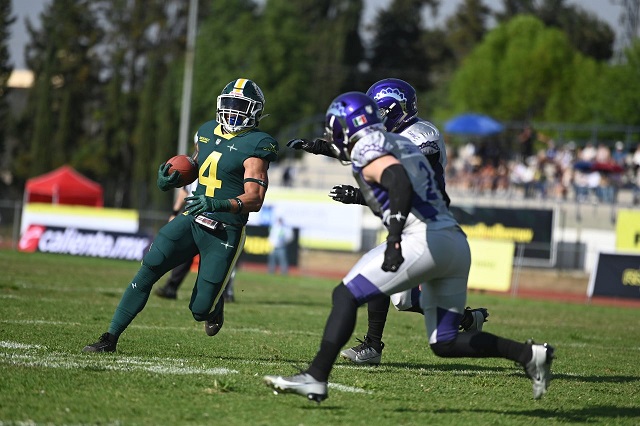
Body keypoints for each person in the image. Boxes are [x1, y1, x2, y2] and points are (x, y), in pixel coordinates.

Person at [264, 92, 554, 402]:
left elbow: (397, 180)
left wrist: (394, 238)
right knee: (444, 343)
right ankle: (529, 354)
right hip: (453, 242)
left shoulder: (372, 147)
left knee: (345, 294)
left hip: (422, 237)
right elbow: (369, 158)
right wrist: (320, 147)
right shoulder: (398, 143)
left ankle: (316, 377)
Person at [287, 78, 488, 365]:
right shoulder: (393, 136)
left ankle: (371, 347)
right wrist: (318, 146)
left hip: (427, 223)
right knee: (403, 300)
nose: (372, 120)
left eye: (377, 112)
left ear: (396, 110)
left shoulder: (422, 134)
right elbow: (363, 150)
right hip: (408, 222)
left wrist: (358, 195)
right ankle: (468, 319)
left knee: (377, 279)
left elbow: (401, 179)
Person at [83, 78, 278, 352]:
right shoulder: (207, 131)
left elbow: (255, 198)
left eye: (241, 106)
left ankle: (213, 305)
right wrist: (172, 180)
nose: (234, 111)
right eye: (230, 105)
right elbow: (196, 166)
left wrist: (218, 204)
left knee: (199, 309)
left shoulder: (258, 144)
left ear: (255, 111)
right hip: (192, 218)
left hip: (225, 230)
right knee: (149, 267)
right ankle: (110, 338)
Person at [155, 181, 236, 303]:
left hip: (213, 214)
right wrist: (175, 212)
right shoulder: (195, 166)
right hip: (192, 213)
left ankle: (225, 292)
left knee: (216, 256)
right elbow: (185, 189)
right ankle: (171, 287)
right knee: (183, 252)